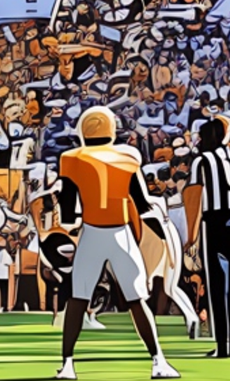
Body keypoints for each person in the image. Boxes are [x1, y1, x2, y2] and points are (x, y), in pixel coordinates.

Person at [54, 105, 177, 381]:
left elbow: (67, 208)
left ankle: (68, 364)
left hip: (92, 232)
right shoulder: (128, 156)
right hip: (121, 233)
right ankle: (158, 360)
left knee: (78, 298)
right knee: (137, 300)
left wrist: (71, 217)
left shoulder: (71, 158)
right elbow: (140, 199)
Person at [183, 114, 230, 358]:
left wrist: (190, 235)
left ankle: (222, 346)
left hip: (214, 222)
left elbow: (193, 196)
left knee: (217, 288)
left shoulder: (201, 162)